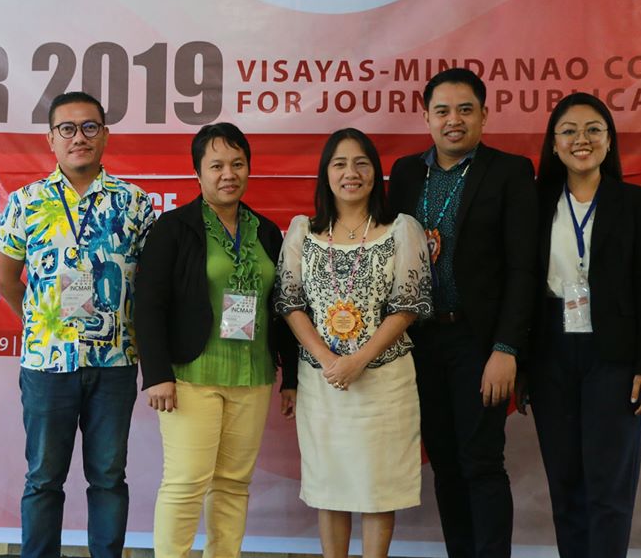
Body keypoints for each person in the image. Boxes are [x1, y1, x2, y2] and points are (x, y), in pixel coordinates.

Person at [0, 91, 155, 558]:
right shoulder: (26, 202)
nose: (78, 137)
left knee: (108, 478)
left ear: (105, 135)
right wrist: (41, 324)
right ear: (51, 139)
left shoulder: (134, 203)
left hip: (114, 363)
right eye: (67, 128)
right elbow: (5, 279)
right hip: (47, 365)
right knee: (44, 478)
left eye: (89, 127)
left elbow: (151, 285)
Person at [388, 68, 538, 558]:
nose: (454, 120)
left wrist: (506, 348)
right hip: (419, 341)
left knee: (481, 463)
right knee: (446, 464)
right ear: (426, 117)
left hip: (479, 341)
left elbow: (523, 268)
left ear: (484, 115)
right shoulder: (407, 173)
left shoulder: (509, 172)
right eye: (443, 111)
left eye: (465, 110)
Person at [134, 122, 298, 558]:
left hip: (253, 374)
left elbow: (282, 307)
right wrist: (157, 374)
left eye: (237, 164)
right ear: (198, 173)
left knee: (233, 484)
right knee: (186, 482)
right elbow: (148, 304)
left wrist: (291, 378)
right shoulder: (174, 228)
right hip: (191, 375)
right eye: (217, 165)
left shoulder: (266, 231)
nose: (229, 174)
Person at [274, 128, 432, 558]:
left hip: (385, 383)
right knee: (331, 486)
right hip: (322, 382)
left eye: (361, 163)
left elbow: (408, 305)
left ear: (375, 172)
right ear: (326, 174)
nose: (351, 173)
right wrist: (330, 361)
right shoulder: (303, 232)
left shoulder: (401, 229)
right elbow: (289, 302)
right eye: (340, 164)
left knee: (378, 487)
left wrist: (358, 360)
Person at [518, 92, 641, 558]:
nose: (581, 139)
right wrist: (520, 362)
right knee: (566, 486)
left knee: (609, 486)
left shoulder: (635, 202)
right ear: (554, 144)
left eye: (593, 130)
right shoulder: (535, 201)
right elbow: (520, 283)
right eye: (569, 131)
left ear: (609, 140)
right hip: (550, 351)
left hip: (613, 354)